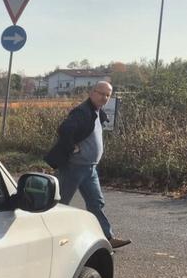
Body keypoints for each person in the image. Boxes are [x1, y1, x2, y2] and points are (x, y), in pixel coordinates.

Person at [44, 81, 131, 248]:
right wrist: (72, 148)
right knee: (59, 203)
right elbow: (64, 129)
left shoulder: (97, 112)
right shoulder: (82, 112)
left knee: (96, 203)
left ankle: (107, 237)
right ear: (92, 93)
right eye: (101, 93)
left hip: (90, 168)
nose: (104, 97)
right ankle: (45, 236)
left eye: (108, 95)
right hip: (73, 167)